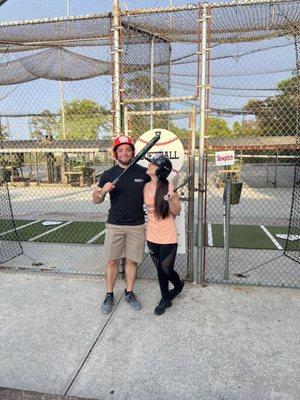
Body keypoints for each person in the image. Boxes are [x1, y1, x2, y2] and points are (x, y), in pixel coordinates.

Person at [93, 135, 149, 315]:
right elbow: (95, 200)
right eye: (120, 150)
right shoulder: (108, 174)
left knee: (132, 261)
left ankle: (129, 292)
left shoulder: (143, 173)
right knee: (112, 261)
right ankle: (109, 294)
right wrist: (103, 190)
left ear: (133, 152)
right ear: (115, 154)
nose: (124, 153)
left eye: (127, 149)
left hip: (137, 225)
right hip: (115, 224)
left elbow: (156, 188)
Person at [144, 154, 185, 316]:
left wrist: (171, 200)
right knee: (161, 269)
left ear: (160, 171)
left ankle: (166, 297)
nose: (149, 165)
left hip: (167, 236)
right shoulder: (145, 187)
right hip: (151, 236)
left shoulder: (169, 186)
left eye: (153, 164)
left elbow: (176, 211)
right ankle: (174, 290)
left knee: (164, 269)